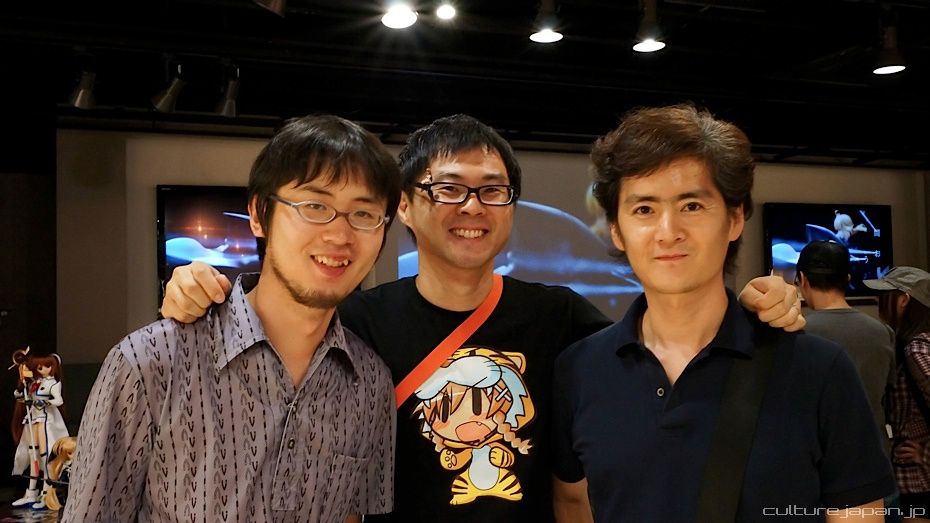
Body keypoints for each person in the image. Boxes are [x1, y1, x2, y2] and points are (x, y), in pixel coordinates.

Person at [160, 114, 806, 522]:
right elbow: (279, 324)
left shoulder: (559, 315)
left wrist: (753, 300)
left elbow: (668, 338)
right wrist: (204, 287)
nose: (472, 206)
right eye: (447, 188)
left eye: (492, 190)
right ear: (405, 207)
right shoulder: (357, 320)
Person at [552, 104, 895, 522]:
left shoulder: (818, 370)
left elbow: (858, 514)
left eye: (691, 206)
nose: (668, 232)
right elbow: (573, 502)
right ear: (617, 231)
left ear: (734, 219)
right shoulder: (579, 371)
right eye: (644, 210)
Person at [63, 115, 399, 522]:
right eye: (314, 206)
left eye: (363, 214)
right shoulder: (149, 363)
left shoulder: (371, 383)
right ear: (258, 213)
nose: (339, 235)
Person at [796, 240, 896, 454]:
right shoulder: (883, 332)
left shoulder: (796, 333)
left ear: (802, 279)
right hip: (874, 454)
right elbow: (889, 397)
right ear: (847, 279)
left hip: (820, 455)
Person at [865, 266, 930, 522]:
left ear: (903, 300)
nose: (879, 302)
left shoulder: (916, 348)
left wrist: (925, 455)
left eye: (885, 296)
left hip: (918, 479)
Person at [11, 353, 69, 511]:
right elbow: (21, 398)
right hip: (33, 420)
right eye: (39, 367)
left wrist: (45, 402)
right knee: (33, 455)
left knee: (45, 456)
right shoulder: (35, 383)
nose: (42, 369)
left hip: (46, 421)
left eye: (47, 366)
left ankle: (45, 493)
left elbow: (59, 400)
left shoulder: (53, 384)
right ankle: (31, 492)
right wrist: (21, 388)